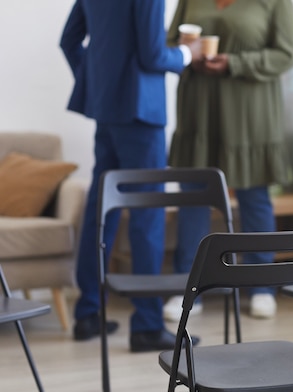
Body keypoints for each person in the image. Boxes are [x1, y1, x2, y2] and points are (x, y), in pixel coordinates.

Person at [60, 0, 203, 352]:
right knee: (147, 216)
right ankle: (147, 325)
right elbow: (154, 56)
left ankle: (88, 313)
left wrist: (96, 79)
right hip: (141, 113)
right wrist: (187, 54)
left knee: (101, 210)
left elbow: (69, 41)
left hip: (105, 107)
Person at [162, 0, 293, 320]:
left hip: (251, 114)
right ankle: (188, 285)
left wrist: (234, 63)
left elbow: (286, 54)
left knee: (255, 198)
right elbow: (168, 44)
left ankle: (262, 287)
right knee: (193, 197)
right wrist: (187, 53)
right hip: (199, 111)